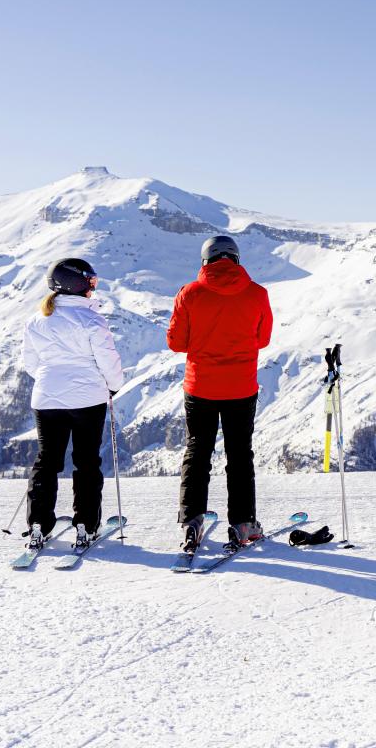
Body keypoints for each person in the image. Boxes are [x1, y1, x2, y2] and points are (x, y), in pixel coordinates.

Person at [168, 234, 273, 551]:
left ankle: (191, 522)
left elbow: (176, 343)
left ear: (205, 261)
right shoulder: (257, 294)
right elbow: (263, 339)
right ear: (236, 259)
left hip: (200, 388)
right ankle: (243, 524)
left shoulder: (189, 294)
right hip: (241, 388)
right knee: (240, 455)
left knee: (197, 453)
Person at [18, 257, 126, 551]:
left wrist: (51, 379)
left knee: (47, 461)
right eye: (90, 281)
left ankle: (38, 523)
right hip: (87, 399)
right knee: (86, 461)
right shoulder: (92, 319)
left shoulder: (37, 320)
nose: (93, 287)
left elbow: (30, 363)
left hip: (46, 399)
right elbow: (108, 360)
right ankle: (86, 525)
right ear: (75, 283)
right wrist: (113, 386)